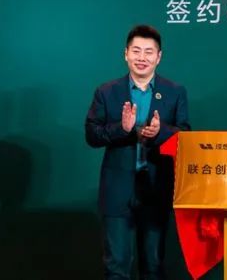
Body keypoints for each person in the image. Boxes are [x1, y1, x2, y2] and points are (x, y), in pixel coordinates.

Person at [85, 25, 190, 280]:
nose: (142, 57)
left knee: (153, 266)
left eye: (148, 52)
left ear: (159, 57)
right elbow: (92, 135)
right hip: (117, 190)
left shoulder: (175, 91)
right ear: (126, 54)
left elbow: (185, 136)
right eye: (136, 51)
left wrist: (161, 132)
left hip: (156, 188)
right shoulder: (106, 92)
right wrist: (121, 129)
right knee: (116, 267)